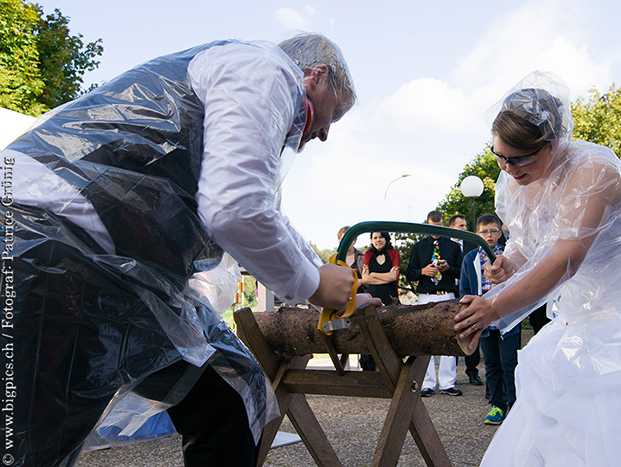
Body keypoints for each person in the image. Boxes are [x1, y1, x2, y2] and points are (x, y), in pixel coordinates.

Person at [0, 32, 381, 467]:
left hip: (110, 273)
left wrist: (336, 285)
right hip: (45, 248)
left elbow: (263, 214)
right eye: (336, 111)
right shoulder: (267, 70)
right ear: (315, 74)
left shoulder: (248, 89)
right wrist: (313, 284)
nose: (327, 132)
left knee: (234, 394)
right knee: (31, 443)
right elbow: (235, 209)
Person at [454, 71, 621, 466]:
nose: (509, 168)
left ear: (552, 144)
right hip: (591, 305)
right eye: (500, 156)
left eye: (520, 158)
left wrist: (495, 307)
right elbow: (528, 245)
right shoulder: (515, 178)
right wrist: (508, 265)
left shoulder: (592, 169)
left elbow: (565, 257)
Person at [460, 214, 519, 425]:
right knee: (491, 364)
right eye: (484, 231)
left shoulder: (509, 255)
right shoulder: (470, 259)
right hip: (484, 322)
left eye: (494, 231)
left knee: (510, 363)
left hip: (506, 318)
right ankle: (497, 405)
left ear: (500, 232)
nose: (489, 235)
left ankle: (515, 405)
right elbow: (465, 289)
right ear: (477, 234)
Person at [406, 211, 464, 397]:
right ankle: (427, 383)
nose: (436, 230)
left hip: (447, 295)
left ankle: (448, 383)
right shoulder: (419, 247)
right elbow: (410, 273)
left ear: (443, 225)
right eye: (432, 226)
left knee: (449, 337)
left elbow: (461, 272)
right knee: (425, 339)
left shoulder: (453, 247)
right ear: (427, 224)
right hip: (426, 296)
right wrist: (422, 271)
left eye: (439, 227)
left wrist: (448, 268)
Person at [448, 214, 484, 387]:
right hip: (451, 293)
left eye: (465, 225)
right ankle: (451, 376)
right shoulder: (444, 245)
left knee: (471, 331)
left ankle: (472, 371)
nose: (464, 229)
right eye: (461, 226)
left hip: (468, 292)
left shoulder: (472, 245)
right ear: (452, 227)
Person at [360, 232, 401, 371]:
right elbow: (365, 279)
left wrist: (374, 274)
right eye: (375, 238)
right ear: (371, 240)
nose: (378, 240)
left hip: (390, 299)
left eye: (380, 237)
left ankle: (393, 369)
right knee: (371, 333)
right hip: (373, 299)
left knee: (392, 334)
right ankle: (371, 371)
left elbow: (394, 276)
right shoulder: (368, 255)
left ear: (386, 238)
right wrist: (385, 276)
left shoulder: (394, 253)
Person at [337, 226, 366, 293]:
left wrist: (361, 281)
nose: (347, 242)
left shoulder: (362, 257)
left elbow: (368, 279)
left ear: (354, 240)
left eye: (349, 239)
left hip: (360, 295)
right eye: (343, 239)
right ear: (339, 240)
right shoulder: (335, 259)